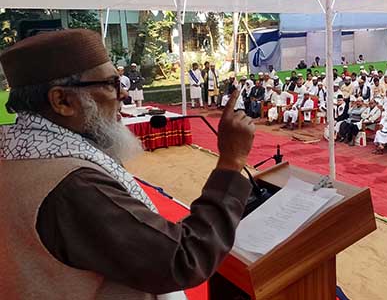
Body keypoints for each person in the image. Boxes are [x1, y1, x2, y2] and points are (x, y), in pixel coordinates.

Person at [0, 30, 254, 298]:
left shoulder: (20, 154)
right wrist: (231, 161)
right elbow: (182, 260)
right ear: (62, 101)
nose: (124, 95)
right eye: (111, 83)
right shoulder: (72, 184)